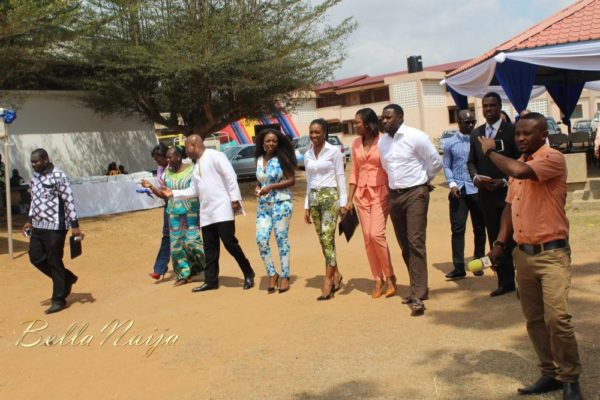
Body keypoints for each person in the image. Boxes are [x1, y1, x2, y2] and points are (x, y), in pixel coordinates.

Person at [482, 112, 584, 400]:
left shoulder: (551, 159)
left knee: (558, 318)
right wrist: (501, 242)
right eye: (518, 134)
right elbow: (508, 207)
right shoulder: (521, 163)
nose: (521, 138)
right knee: (534, 319)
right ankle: (550, 373)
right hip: (522, 255)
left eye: (528, 133)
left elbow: (517, 172)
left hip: (551, 253)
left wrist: (489, 151)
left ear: (543, 135)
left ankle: (571, 379)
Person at [162, 134, 255, 292]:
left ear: (194, 145)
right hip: (206, 212)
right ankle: (211, 280)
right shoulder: (196, 164)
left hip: (222, 208)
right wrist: (174, 193)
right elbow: (193, 190)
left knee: (229, 243)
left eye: (186, 148)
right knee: (210, 248)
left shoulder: (215, 156)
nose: (186, 151)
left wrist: (234, 199)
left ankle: (248, 272)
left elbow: (230, 176)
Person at [379, 104, 442, 316]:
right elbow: (387, 167)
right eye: (383, 118)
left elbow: (435, 162)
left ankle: (418, 291)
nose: (384, 121)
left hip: (415, 193)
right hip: (395, 195)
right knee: (404, 244)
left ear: (400, 117)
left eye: (388, 117)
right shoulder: (383, 141)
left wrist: (424, 181)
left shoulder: (416, 136)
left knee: (415, 241)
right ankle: (417, 286)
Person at [467, 91, 520, 297]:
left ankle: (523, 281)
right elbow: (471, 161)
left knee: (515, 239)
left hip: (510, 194)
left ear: (499, 107)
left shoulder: (512, 131)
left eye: (492, 106)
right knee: (494, 238)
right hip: (486, 196)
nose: (489, 109)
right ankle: (505, 282)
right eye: (485, 106)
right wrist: (476, 178)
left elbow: (519, 162)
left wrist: (505, 181)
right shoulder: (476, 133)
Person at [22, 148, 83, 314]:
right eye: (32, 162)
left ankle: (59, 299)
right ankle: (67, 277)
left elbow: (68, 200)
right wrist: (29, 220)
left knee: (54, 259)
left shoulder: (59, 175)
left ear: (45, 159)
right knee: (35, 257)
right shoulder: (35, 176)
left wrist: (75, 225)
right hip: (38, 224)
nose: (33, 165)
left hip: (56, 226)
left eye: (36, 162)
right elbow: (34, 199)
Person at [345, 108, 396, 299]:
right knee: (367, 237)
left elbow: (390, 166)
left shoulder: (383, 140)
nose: (355, 125)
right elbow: (354, 172)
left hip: (381, 192)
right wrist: (349, 200)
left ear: (368, 123)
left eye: (358, 122)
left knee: (376, 234)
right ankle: (378, 278)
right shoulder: (356, 142)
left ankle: (390, 276)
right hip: (361, 195)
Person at [143, 147, 205, 286]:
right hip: (173, 213)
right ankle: (183, 275)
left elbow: (199, 190)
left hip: (191, 211)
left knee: (192, 242)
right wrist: (151, 188)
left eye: (170, 157)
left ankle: (202, 269)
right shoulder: (167, 173)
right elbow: (164, 195)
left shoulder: (192, 170)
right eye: (167, 158)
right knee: (176, 245)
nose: (168, 160)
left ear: (178, 157)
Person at [304, 118, 347, 301]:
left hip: (330, 198)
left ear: (324, 132)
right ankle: (336, 273)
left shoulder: (334, 151)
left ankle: (328, 281)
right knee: (323, 240)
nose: (314, 136)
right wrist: (306, 205)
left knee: (328, 238)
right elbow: (309, 181)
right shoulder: (307, 154)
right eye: (311, 132)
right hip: (314, 199)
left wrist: (343, 202)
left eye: (317, 132)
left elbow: (340, 176)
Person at [443, 110, 486, 279]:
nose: (470, 125)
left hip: (477, 190)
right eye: (466, 122)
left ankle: (478, 263)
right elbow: (446, 165)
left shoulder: (480, 140)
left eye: (472, 122)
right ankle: (459, 266)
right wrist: (452, 183)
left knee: (480, 228)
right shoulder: (449, 143)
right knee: (458, 229)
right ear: (458, 123)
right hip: (458, 191)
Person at [254, 128, 296, 293]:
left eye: (274, 141)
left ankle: (285, 275)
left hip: (281, 204)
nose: (271, 143)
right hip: (263, 205)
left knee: (281, 240)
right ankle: (272, 273)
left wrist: (271, 187)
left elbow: (291, 180)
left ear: (278, 144)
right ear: (262, 144)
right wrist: (258, 188)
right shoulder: (258, 160)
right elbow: (260, 181)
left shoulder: (282, 159)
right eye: (268, 141)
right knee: (261, 239)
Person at [148, 143, 171, 280]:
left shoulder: (174, 168)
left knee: (184, 238)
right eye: (155, 159)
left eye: (159, 158)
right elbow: (161, 189)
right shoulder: (160, 169)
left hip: (179, 205)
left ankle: (196, 265)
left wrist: (152, 188)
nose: (157, 162)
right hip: (167, 205)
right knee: (167, 236)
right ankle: (160, 268)